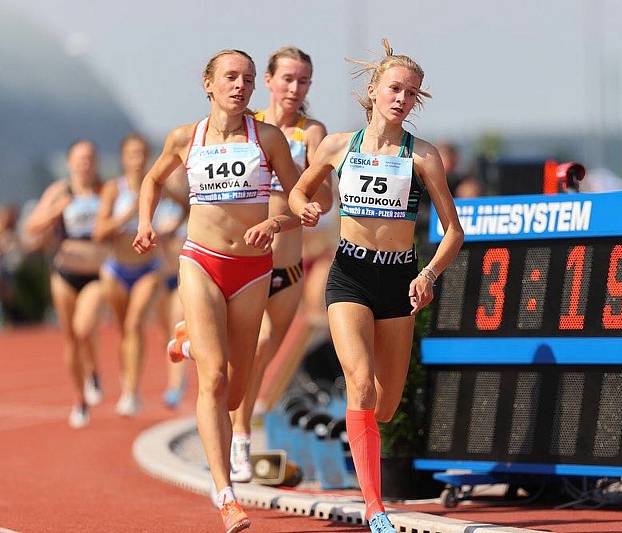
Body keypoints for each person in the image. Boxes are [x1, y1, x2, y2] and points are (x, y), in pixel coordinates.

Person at [288, 39, 464, 533]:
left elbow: (454, 232)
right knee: (361, 384)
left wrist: (428, 274)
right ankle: (374, 506)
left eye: (412, 93)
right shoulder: (337, 146)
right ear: (373, 89)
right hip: (350, 274)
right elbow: (303, 188)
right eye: (394, 88)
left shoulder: (423, 156)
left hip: (400, 281)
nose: (401, 98)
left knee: (383, 405)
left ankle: (355, 420)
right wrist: (303, 204)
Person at [133, 49, 300, 533]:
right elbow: (151, 178)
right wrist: (145, 222)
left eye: (248, 79)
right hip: (201, 262)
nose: (240, 85)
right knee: (212, 381)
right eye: (231, 77)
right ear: (208, 84)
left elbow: (298, 198)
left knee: (235, 388)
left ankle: (186, 341)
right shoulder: (187, 137)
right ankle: (226, 494)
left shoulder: (267, 138)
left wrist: (277, 220)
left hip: (251, 271)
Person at [227, 45, 332, 482]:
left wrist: (286, 218)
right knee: (245, 351)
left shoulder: (311, 133)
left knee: (263, 349)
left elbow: (324, 200)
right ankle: (238, 437)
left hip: (286, 267)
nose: (294, 88)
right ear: (267, 81)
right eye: (287, 79)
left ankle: (239, 435)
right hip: (240, 262)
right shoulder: (246, 127)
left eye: (302, 80)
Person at [24, 140, 106, 428]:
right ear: (70, 162)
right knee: (70, 339)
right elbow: (31, 228)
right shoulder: (60, 191)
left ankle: (94, 371)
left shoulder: (105, 190)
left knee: (84, 328)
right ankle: (79, 398)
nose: (85, 164)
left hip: (96, 273)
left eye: (90, 158)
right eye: (80, 158)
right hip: (64, 273)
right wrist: (55, 211)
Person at [93, 134, 165, 416]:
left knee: (135, 324)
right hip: (116, 269)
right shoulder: (114, 188)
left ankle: (132, 391)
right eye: (132, 154)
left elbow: (185, 206)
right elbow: (99, 232)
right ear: (123, 158)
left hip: (148, 268)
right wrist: (127, 215)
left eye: (142, 154)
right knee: (124, 329)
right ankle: (127, 377)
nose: (137, 160)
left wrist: (171, 226)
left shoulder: (156, 185)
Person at [154, 166, 190, 408]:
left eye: (180, 173)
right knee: (166, 332)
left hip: (186, 275)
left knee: (179, 324)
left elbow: (184, 204)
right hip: (163, 274)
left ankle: (175, 385)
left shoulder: (193, 198)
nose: (174, 178)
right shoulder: (157, 205)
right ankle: (177, 380)